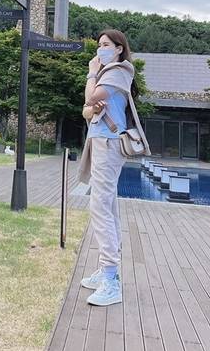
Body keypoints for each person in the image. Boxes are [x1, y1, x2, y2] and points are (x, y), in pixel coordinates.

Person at [77, 29, 148, 307]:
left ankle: (110, 278)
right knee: (108, 205)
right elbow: (87, 109)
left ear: (119, 48)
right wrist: (92, 106)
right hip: (100, 141)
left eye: (106, 44)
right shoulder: (108, 73)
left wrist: (91, 74)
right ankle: (107, 271)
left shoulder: (120, 70)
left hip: (108, 143)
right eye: (99, 45)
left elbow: (91, 98)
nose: (100, 49)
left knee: (100, 206)